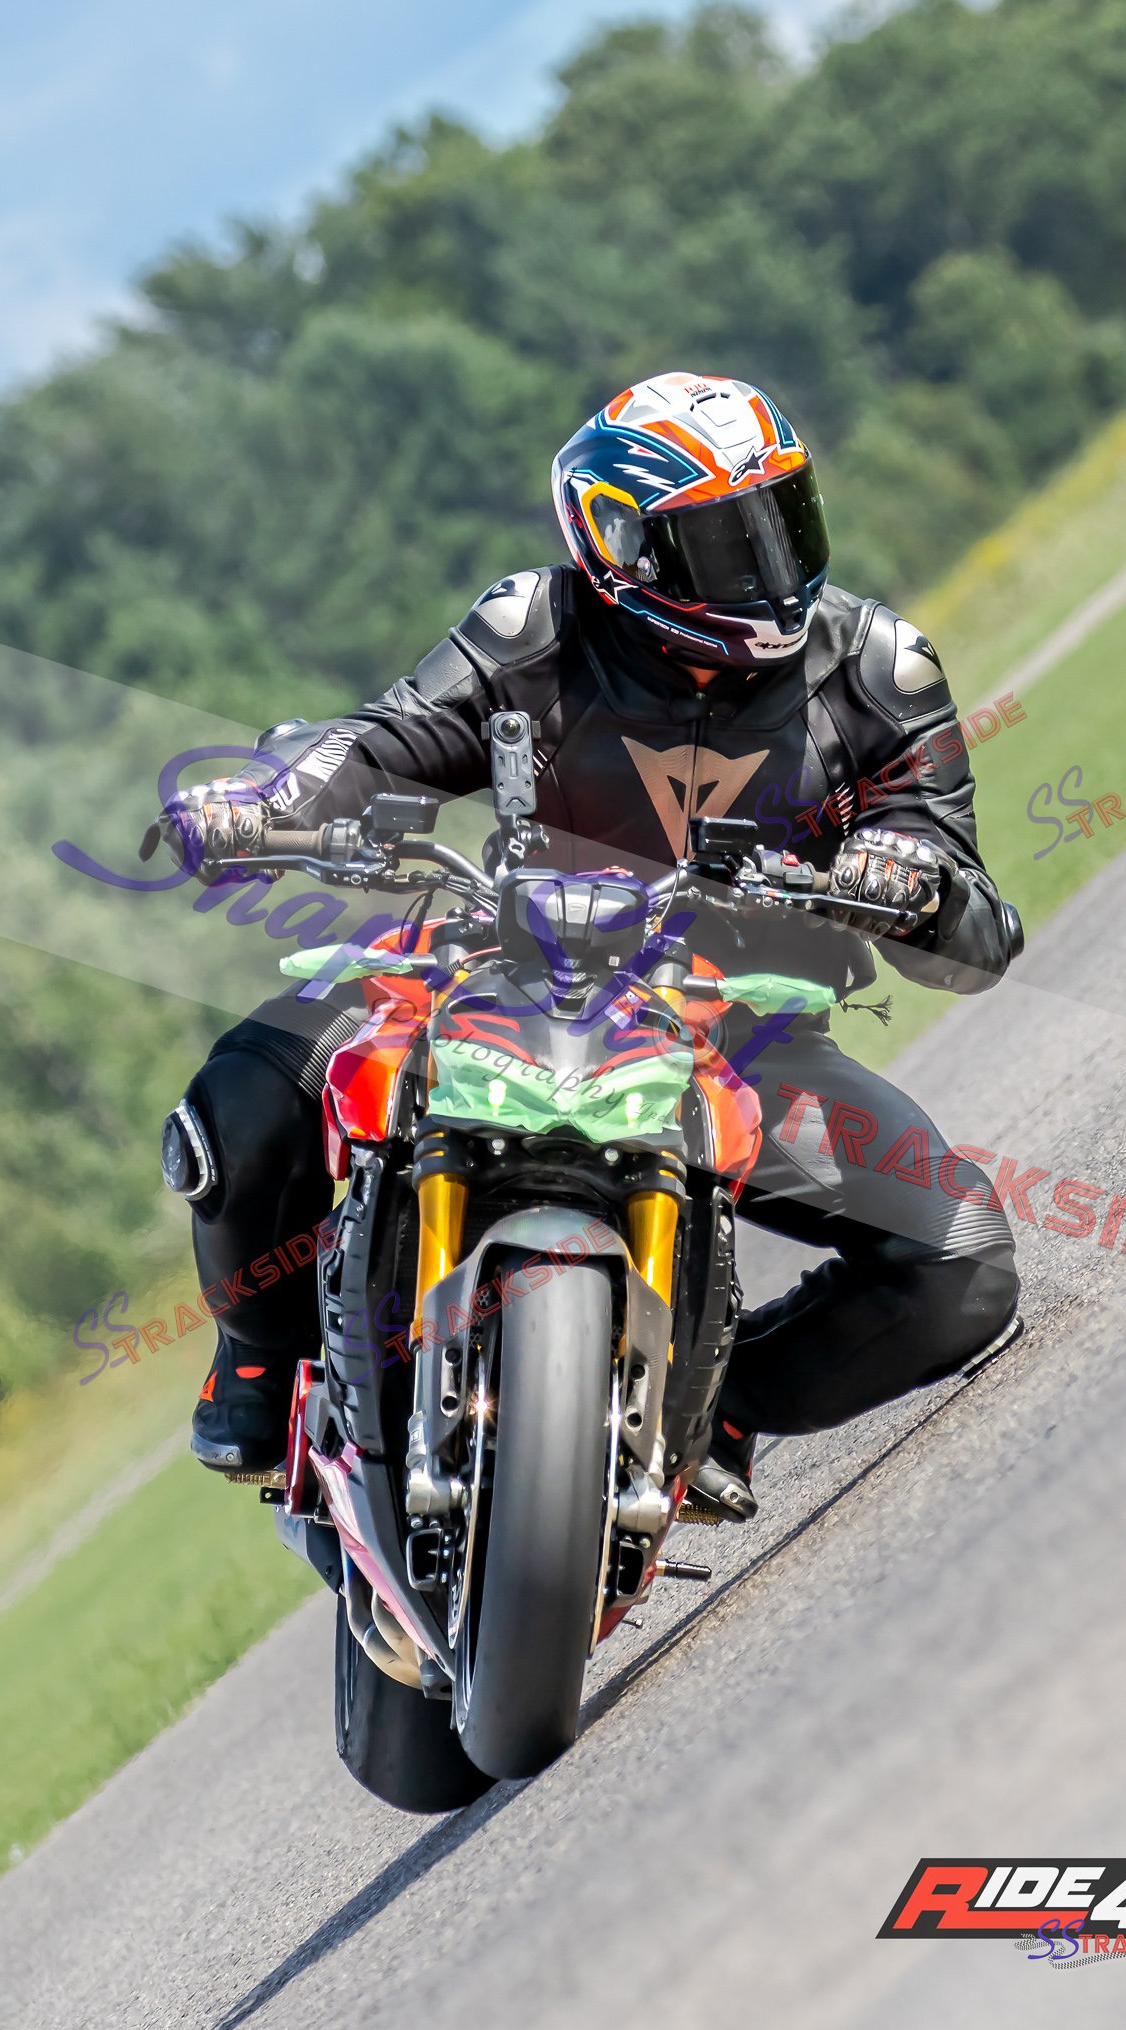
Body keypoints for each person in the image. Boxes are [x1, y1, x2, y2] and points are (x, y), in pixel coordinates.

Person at [148, 370, 1023, 1518]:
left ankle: (710, 1409)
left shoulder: (879, 668)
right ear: (624, 548)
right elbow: (379, 741)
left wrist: (912, 884)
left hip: (735, 1039)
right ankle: (259, 1366)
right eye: (724, 542)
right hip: (490, 978)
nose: (766, 570)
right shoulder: (533, 627)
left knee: (962, 1262)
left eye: (779, 519)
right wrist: (269, 798)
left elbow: (979, 933)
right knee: (246, 1096)